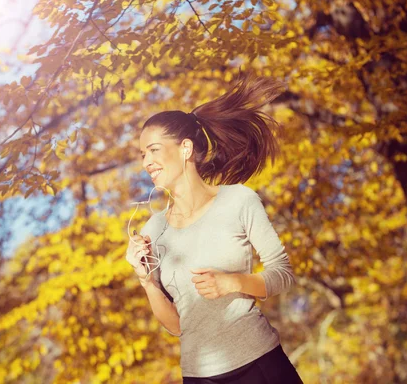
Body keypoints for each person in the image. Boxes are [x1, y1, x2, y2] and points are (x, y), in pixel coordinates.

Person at [125, 74, 303, 383]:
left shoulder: (238, 201)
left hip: (259, 365)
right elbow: (178, 327)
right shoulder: (154, 228)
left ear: (185, 149)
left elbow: (282, 273)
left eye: (153, 150)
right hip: (198, 376)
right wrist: (147, 282)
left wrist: (234, 282)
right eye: (143, 155)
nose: (146, 162)